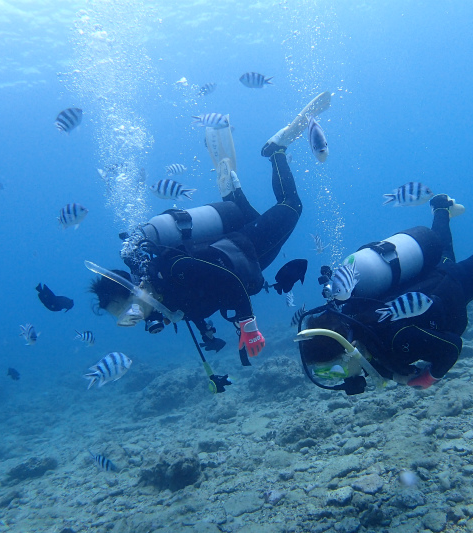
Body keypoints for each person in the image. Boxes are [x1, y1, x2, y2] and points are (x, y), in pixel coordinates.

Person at [295, 120, 473, 395]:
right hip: (428, 275)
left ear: (347, 350)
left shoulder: (394, 340)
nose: (336, 376)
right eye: (324, 374)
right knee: (443, 253)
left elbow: (451, 347)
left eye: (333, 368)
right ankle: (440, 206)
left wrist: (428, 377)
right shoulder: (348, 314)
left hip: (454, 288)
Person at [89, 92, 332, 364]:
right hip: (251, 261)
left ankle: (275, 150)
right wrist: (207, 332)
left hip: (245, 247)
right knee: (258, 220)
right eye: (122, 320)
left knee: (291, 205)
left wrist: (247, 322)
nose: (130, 319)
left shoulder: (172, 270)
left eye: (126, 310)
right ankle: (232, 196)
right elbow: (198, 305)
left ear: (135, 290)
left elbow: (228, 279)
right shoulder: (161, 303)